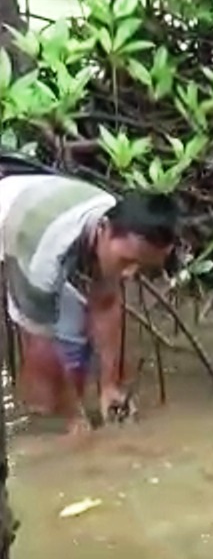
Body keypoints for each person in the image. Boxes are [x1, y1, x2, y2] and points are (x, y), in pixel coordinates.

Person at [0, 171, 179, 435]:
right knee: (46, 383)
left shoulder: (111, 215)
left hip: (33, 205)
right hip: (17, 225)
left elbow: (106, 303)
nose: (130, 274)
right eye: (127, 261)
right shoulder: (43, 259)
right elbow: (40, 344)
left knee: (72, 338)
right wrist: (74, 418)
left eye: (143, 267)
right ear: (103, 230)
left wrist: (110, 386)